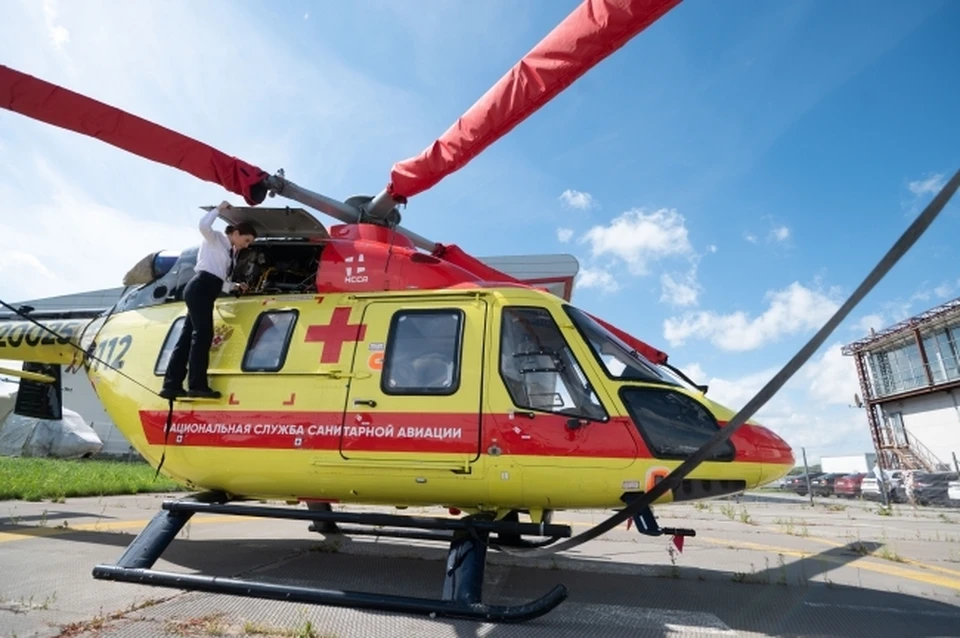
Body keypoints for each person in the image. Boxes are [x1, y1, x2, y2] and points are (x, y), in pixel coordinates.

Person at [160, 201, 256, 399]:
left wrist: (234, 287)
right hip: (200, 287)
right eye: (246, 240)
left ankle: (171, 385)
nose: (246, 245)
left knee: (187, 337)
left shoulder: (231, 253)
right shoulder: (215, 239)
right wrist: (218, 210)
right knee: (203, 336)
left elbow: (219, 279)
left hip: (207, 289)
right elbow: (204, 225)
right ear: (236, 233)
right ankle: (197, 385)